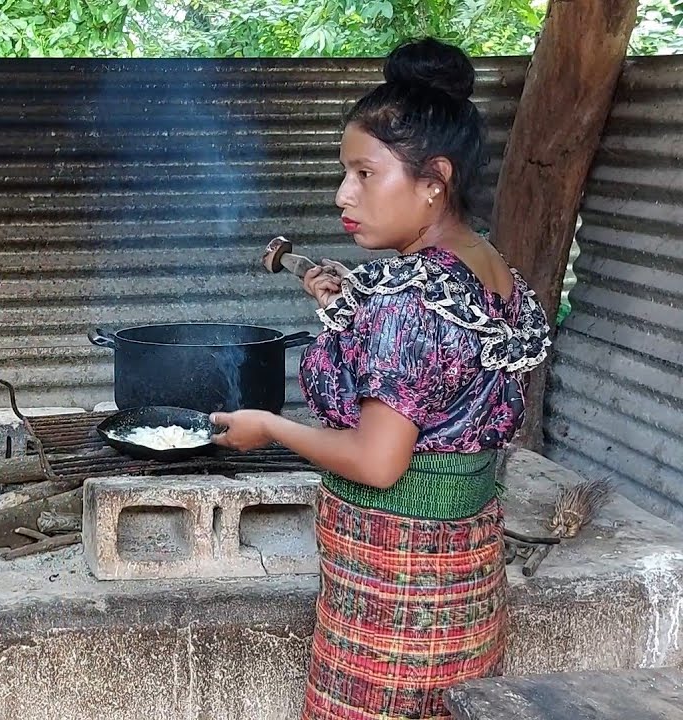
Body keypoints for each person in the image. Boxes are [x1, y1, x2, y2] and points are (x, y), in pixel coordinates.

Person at [211, 38, 551, 720]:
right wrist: (346, 309)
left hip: (392, 601)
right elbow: (443, 379)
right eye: (345, 173)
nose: (344, 194)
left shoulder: (407, 301)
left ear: (434, 181)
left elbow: (378, 459)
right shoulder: (491, 269)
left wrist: (270, 428)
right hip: (462, 584)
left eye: (365, 174)